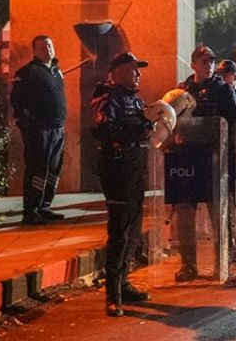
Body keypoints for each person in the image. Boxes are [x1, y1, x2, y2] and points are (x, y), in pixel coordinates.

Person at [91, 51, 153, 317]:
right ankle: (112, 295)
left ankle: (124, 283)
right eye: (132, 68)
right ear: (117, 72)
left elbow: (142, 127)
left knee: (134, 230)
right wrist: (137, 132)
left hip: (134, 169)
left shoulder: (135, 100)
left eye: (138, 69)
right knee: (119, 230)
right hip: (116, 170)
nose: (138, 73)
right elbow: (102, 130)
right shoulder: (107, 97)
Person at [174, 45, 236, 282]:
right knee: (184, 213)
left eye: (211, 61)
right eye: (203, 61)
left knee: (218, 214)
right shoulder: (183, 90)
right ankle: (188, 264)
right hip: (187, 158)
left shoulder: (223, 89)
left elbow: (232, 123)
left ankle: (221, 263)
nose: (209, 65)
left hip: (213, 158)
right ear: (193, 64)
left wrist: (224, 152)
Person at [10, 35, 67, 224]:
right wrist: (27, 125)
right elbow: (17, 102)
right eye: (42, 48)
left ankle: (45, 206)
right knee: (37, 169)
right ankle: (31, 210)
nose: (47, 50)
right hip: (39, 130)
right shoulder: (28, 73)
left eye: (49, 46)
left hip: (57, 129)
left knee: (53, 169)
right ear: (35, 51)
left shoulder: (56, 71)